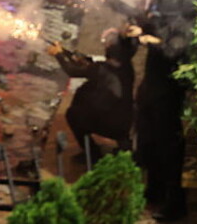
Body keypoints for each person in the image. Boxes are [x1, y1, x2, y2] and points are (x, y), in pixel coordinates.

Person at [126, 0, 197, 221]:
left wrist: (148, 40)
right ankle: (153, 191)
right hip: (151, 92)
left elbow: (172, 49)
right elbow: (147, 24)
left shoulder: (184, 24)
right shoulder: (162, 18)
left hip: (168, 96)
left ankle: (174, 204)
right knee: (147, 144)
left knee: (168, 152)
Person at [47, 28, 138, 158]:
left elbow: (73, 71)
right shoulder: (127, 67)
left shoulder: (100, 69)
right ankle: (125, 146)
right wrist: (73, 56)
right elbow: (94, 67)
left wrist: (58, 54)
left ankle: (92, 154)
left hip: (109, 124)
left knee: (72, 114)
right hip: (126, 121)